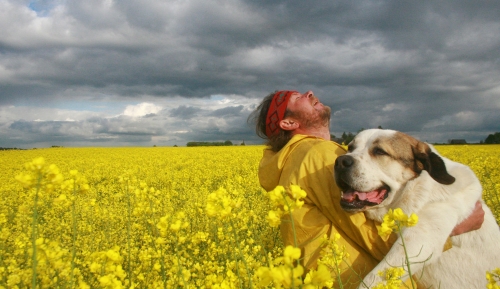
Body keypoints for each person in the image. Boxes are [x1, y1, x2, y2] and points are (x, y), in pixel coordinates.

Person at [248, 90, 485, 288]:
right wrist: (449, 228)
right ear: (288, 122)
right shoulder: (316, 154)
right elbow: (371, 234)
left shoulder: (297, 157)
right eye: (297, 97)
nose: (310, 93)